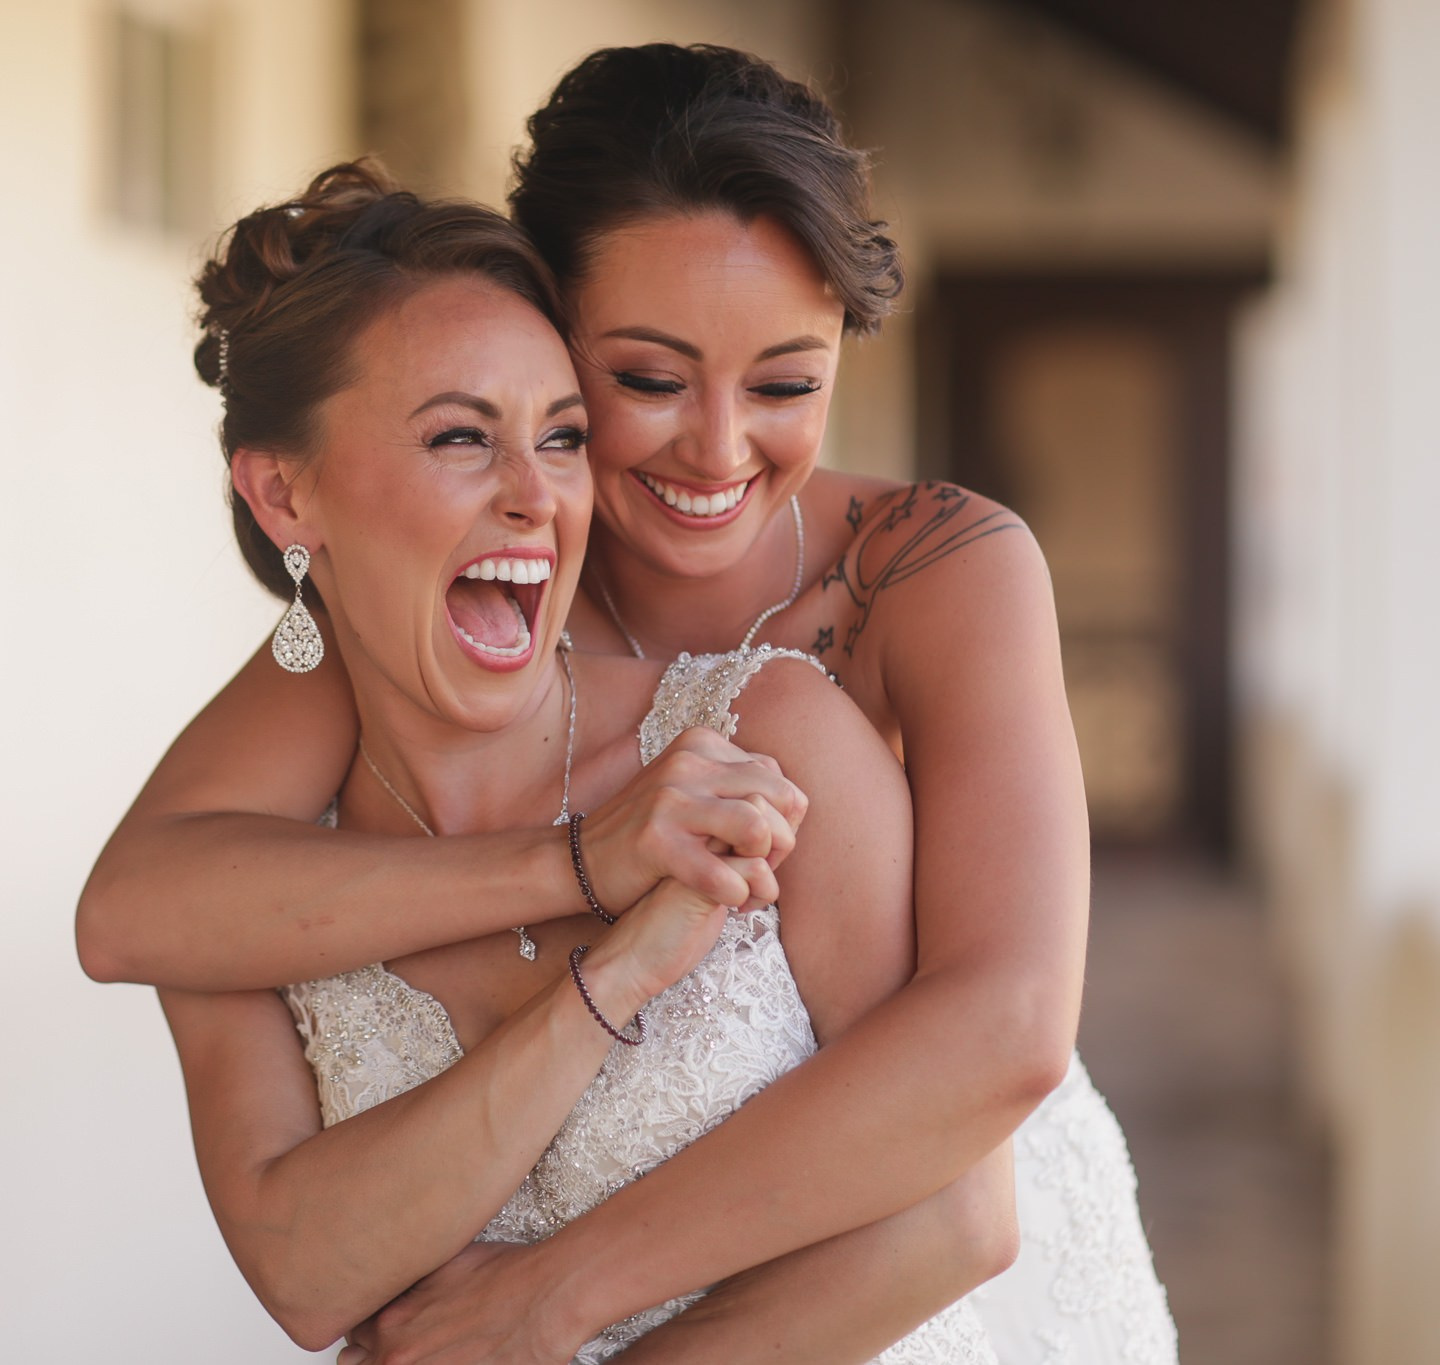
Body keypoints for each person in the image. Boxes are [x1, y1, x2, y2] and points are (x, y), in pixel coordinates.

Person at [82, 44, 1176, 1365]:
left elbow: (1002, 1036)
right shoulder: (493, 560)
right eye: (648, 381)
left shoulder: (928, 569)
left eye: (784, 384)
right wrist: (573, 873)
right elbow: (142, 902)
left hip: (934, 1230)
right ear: (553, 325)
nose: (718, 452)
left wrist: (554, 1296)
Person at [161, 159, 1001, 1362]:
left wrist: (549, 1306)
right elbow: (304, 1276)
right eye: (460, 436)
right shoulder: (247, 885)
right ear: (284, 496)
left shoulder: (769, 735)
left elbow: (952, 1217)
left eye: (560, 438)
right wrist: (604, 985)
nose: (533, 498)